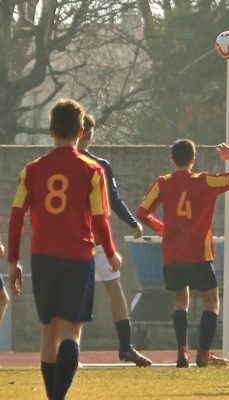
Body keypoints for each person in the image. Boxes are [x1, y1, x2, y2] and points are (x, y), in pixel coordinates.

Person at [7, 99, 121, 400]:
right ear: (81, 131)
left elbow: (17, 216)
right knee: (72, 331)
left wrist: (13, 261)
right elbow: (100, 220)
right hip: (77, 257)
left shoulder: (31, 170)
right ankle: (58, 398)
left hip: (42, 257)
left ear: (50, 131)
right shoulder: (93, 170)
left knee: (49, 331)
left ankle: (52, 397)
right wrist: (110, 252)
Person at [136, 139, 229, 368]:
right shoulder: (204, 180)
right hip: (199, 254)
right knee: (212, 303)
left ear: (171, 159)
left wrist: (162, 228)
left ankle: (182, 351)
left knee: (179, 302)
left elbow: (142, 212)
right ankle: (203, 353)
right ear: (193, 160)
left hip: (174, 254)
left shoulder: (162, 183)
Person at [77, 114, 151, 367]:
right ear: (89, 133)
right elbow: (114, 200)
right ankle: (125, 346)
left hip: (69, 239)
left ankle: (69, 350)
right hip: (94, 239)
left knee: (77, 291)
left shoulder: (53, 163)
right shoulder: (98, 165)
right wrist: (133, 222)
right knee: (113, 289)